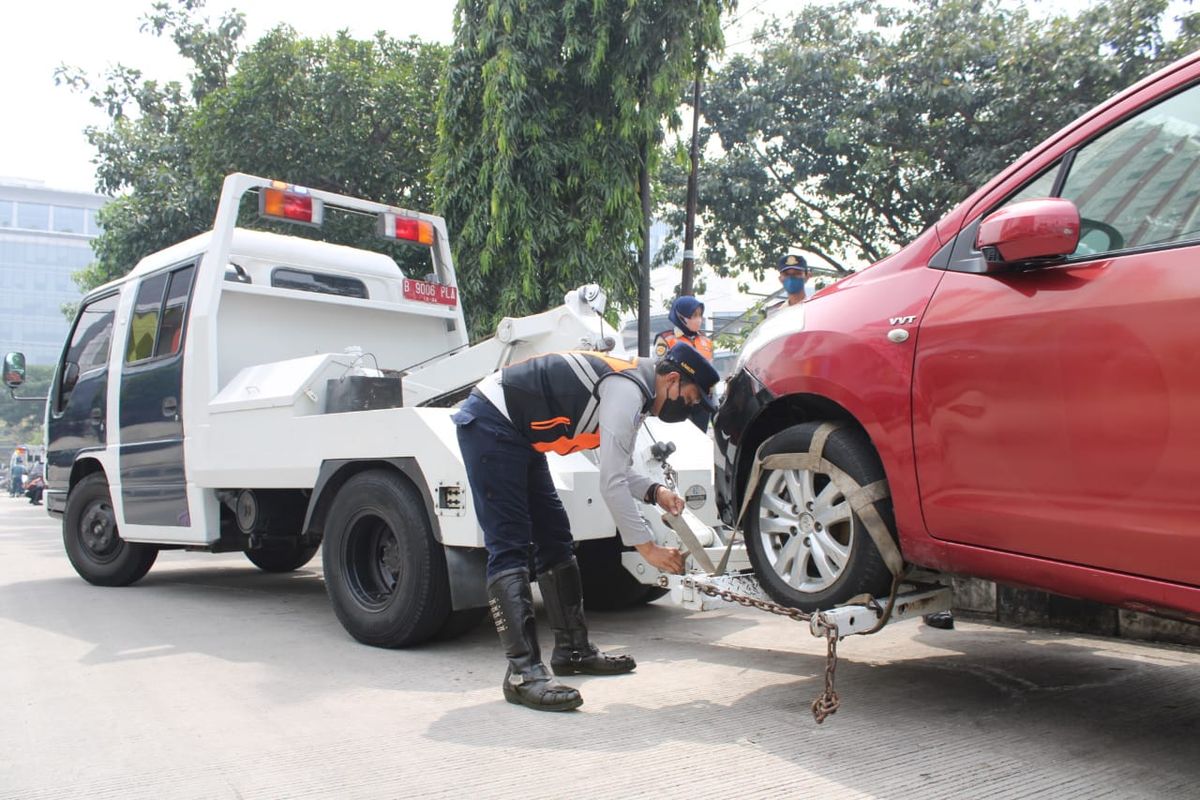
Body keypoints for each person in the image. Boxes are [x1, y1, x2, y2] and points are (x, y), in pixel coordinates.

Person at [452, 342, 719, 712]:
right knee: (510, 544)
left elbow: (619, 469)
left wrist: (656, 492)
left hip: (520, 435)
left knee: (556, 538)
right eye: (688, 399)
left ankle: (573, 651)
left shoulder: (634, 393)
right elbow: (611, 482)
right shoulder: (627, 389)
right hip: (491, 422)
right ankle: (522, 673)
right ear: (671, 379)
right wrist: (647, 548)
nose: (687, 408)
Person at [653, 296, 715, 432]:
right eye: (694, 315)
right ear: (681, 316)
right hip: (678, 397)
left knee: (699, 437)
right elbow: (659, 371)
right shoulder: (666, 339)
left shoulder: (706, 341)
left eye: (700, 314)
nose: (698, 319)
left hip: (701, 398)